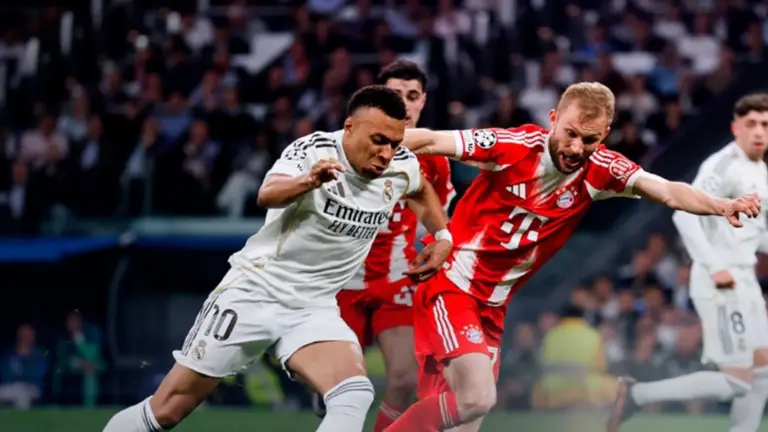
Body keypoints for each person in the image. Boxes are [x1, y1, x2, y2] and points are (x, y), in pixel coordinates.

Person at [381, 81, 761, 432]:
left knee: (464, 420)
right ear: (553, 119)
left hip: (492, 306)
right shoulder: (514, 146)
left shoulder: (601, 170)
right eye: (571, 134)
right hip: (452, 286)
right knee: (477, 398)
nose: (577, 148)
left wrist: (721, 205)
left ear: (604, 135)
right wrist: (369, 142)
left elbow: (666, 190)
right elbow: (431, 140)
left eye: (590, 139)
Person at [102, 85, 454, 432]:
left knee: (353, 393)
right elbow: (267, 194)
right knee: (167, 411)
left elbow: (421, 190)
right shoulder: (314, 150)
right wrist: (309, 181)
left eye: (394, 144)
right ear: (349, 127)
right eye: (378, 140)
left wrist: (442, 236)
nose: (386, 154)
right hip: (255, 292)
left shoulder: (401, 166)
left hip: (313, 307)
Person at [608, 93, 768, 432]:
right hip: (721, 280)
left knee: (763, 369)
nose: (758, 131)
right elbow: (685, 216)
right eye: (751, 123)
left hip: (744, 278)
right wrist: (714, 266)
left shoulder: (759, 168)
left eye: (765, 125)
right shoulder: (722, 165)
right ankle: (638, 394)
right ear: (735, 128)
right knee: (737, 380)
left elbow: (754, 234)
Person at [317, 60, 455, 431]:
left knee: (406, 380)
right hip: (340, 280)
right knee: (342, 387)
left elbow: (438, 221)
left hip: (396, 279)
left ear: (423, 101)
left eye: (412, 96)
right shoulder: (343, 147)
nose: (404, 104)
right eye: (395, 95)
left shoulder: (435, 161)